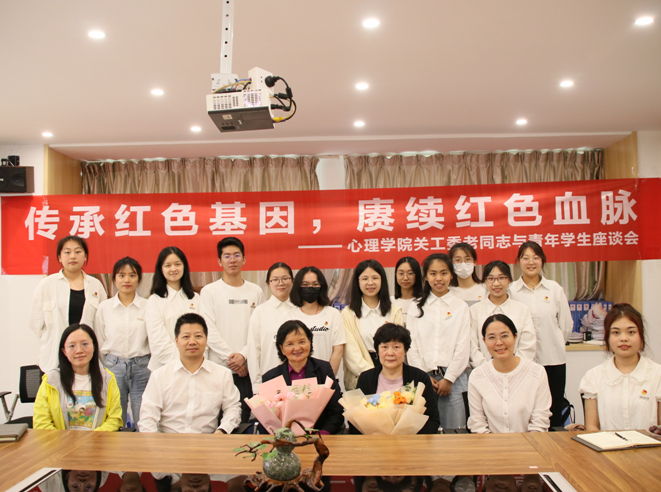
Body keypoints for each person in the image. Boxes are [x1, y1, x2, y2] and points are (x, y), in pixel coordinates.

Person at [138, 313, 241, 434]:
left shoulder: (222, 375)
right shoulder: (159, 376)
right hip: (168, 442)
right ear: (176, 341)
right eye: (186, 337)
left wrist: (222, 431)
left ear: (206, 339)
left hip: (208, 441)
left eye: (198, 336)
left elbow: (233, 408)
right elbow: (147, 418)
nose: (192, 342)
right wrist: (156, 443)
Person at [200, 237, 265, 421]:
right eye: (227, 256)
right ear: (219, 261)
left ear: (244, 259)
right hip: (218, 368)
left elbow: (259, 330)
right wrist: (231, 358)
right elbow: (208, 330)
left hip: (247, 368)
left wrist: (243, 355)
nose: (232, 260)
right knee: (216, 420)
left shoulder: (256, 291)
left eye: (237, 255)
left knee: (243, 420)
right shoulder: (209, 291)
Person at [509, 241, 573, 427]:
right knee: (523, 408)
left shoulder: (554, 289)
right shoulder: (511, 290)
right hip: (521, 362)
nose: (531, 262)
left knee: (553, 409)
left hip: (553, 360)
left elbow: (565, 326)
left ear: (542, 260)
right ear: (518, 261)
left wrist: (554, 344)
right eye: (526, 258)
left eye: (536, 258)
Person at [407, 253, 470, 430]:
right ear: (426, 276)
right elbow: (411, 346)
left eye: (443, 273)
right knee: (423, 433)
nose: (438, 278)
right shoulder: (415, 306)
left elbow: (463, 347)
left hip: (454, 380)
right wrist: (423, 376)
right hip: (423, 378)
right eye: (433, 273)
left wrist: (449, 379)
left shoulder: (460, 307)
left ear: (451, 275)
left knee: (454, 434)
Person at [146, 247, 231, 372]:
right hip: (165, 369)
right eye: (168, 265)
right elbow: (158, 344)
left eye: (177, 264)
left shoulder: (196, 298)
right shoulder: (154, 301)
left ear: (184, 267)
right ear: (161, 269)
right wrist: (187, 363)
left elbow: (205, 333)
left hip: (198, 368)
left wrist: (197, 362)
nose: (173, 269)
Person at [30, 235, 108, 372]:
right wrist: (53, 338)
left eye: (78, 252)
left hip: (87, 359)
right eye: (67, 252)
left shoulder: (96, 286)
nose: (72, 256)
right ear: (59, 258)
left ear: (85, 256)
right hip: (54, 359)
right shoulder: (46, 285)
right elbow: (36, 323)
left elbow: (103, 323)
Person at [579, 304, 661, 431]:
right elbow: (592, 428)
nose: (624, 338)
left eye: (631, 332)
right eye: (616, 332)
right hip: (607, 444)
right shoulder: (593, 376)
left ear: (641, 336)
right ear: (607, 337)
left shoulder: (658, 375)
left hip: (649, 443)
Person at [467, 314, 551, 434]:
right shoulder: (477, 376)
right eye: (492, 337)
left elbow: (540, 421)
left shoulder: (537, 373)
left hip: (530, 443)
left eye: (504, 336)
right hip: (489, 444)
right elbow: (477, 423)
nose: (499, 343)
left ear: (515, 337)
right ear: (484, 341)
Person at [350, 323, 440, 434]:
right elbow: (356, 420)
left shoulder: (420, 378)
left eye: (396, 347)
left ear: (405, 351)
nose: (390, 353)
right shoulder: (366, 378)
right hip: (374, 441)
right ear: (377, 351)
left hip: (411, 442)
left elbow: (432, 419)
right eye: (384, 347)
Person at [261, 320, 344, 435]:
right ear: (281, 348)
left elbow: (335, 411)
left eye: (302, 342)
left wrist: (321, 435)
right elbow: (266, 419)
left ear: (310, 342)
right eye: (290, 344)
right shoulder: (270, 377)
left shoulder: (324, 370)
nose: (297, 348)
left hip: (319, 437)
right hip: (283, 439)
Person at [94, 257, 150, 428]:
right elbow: (99, 339)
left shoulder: (148, 306)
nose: (127, 280)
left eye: (132, 275)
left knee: (143, 415)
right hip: (113, 366)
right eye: (121, 275)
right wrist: (106, 365)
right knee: (114, 415)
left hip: (142, 366)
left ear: (139, 279)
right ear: (114, 279)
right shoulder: (104, 308)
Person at [33, 323, 122, 431]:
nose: (79, 350)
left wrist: (94, 438)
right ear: (64, 351)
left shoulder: (107, 379)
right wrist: (65, 439)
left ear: (94, 346)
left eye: (84, 344)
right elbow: (41, 423)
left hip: (97, 440)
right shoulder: (51, 381)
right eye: (72, 346)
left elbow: (114, 419)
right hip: (60, 441)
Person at [342, 259, 402, 390]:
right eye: (365, 279)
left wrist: (387, 375)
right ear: (357, 282)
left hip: (392, 375)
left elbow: (400, 346)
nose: (370, 283)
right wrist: (375, 376)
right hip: (361, 378)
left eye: (375, 278)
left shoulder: (395, 311)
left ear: (382, 280)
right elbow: (351, 355)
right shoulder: (347, 314)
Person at [469, 261, 536, 368]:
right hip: (484, 371)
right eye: (491, 279)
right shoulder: (474, 311)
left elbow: (528, 345)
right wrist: (487, 369)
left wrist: (514, 367)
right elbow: (472, 346)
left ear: (509, 280)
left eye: (501, 278)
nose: (496, 284)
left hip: (518, 370)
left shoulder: (522, 310)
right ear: (484, 281)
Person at [246, 262, 295, 393]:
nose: (280, 283)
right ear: (268, 283)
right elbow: (253, 351)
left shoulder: (300, 309)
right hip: (269, 379)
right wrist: (256, 386)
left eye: (285, 278)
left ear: (292, 281)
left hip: (299, 379)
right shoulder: (260, 312)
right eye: (275, 280)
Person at [288, 266, 345, 375]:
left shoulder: (333, 314)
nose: (310, 288)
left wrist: (328, 379)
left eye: (315, 284)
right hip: (297, 379)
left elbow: (338, 352)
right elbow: (285, 351)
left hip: (327, 378)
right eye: (305, 285)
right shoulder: (289, 315)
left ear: (322, 286)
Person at [390, 256, 423, 326]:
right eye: (401, 273)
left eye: (410, 273)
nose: (405, 278)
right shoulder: (390, 302)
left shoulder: (423, 301)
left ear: (417, 275)